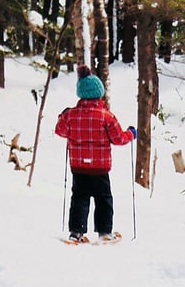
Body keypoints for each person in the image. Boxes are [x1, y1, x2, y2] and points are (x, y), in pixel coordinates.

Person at [55, 65, 136, 243]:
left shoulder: (70, 115)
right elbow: (119, 139)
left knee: (79, 198)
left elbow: (60, 131)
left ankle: (76, 232)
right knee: (103, 199)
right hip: (100, 168)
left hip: (78, 167)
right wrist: (131, 134)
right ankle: (104, 232)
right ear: (99, 93)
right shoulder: (107, 117)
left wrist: (62, 116)